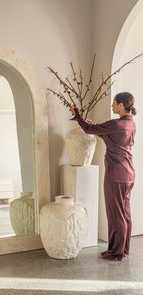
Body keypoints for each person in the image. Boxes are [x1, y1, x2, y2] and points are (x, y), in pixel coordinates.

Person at [70, 92, 136, 261]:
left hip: (116, 174)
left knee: (116, 214)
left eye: (114, 103)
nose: (112, 105)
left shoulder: (116, 124)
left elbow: (87, 129)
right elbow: (109, 136)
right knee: (124, 213)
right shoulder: (130, 124)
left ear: (121, 105)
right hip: (128, 174)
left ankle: (116, 253)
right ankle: (123, 249)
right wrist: (96, 127)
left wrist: (77, 113)